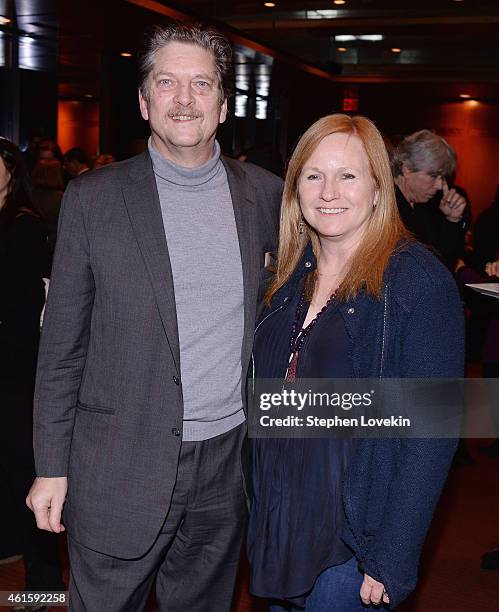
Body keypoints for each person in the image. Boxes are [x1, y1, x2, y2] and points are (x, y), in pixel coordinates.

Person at [26, 22, 282, 612]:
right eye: (167, 82)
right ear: (144, 102)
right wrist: (51, 467)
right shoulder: (92, 199)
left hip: (228, 464)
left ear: (222, 106)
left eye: (201, 84)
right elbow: (61, 347)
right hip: (118, 461)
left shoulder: (266, 196)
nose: (184, 98)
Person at [247, 114, 464, 610]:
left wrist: (392, 554)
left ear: (377, 188)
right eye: (313, 175)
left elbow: (432, 434)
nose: (329, 192)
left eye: (348, 176)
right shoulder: (285, 279)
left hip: (352, 545)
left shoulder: (415, 282)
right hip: (278, 529)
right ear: (295, 187)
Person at [0, 138, 64, 608]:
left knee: (26, 473)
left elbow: (33, 312)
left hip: (17, 375)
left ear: (10, 174)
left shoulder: (23, 228)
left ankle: (42, 586)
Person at [392, 129, 467, 270]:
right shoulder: (385, 207)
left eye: (443, 177)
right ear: (407, 169)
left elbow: (442, 265)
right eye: (433, 176)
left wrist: (452, 220)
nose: (440, 185)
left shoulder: (424, 206)